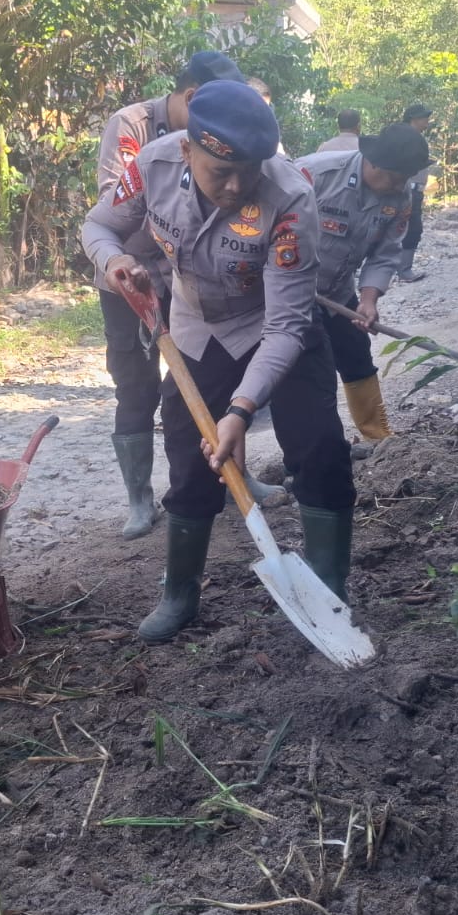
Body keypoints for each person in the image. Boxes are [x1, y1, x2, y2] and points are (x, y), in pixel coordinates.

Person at [82, 80, 356, 641]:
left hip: (276, 325)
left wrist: (241, 409)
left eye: (247, 172)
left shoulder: (291, 197)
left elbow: (285, 326)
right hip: (196, 328)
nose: (235, 187)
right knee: (189, 460)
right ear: (187, 150)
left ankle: (328, 592)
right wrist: (114, 264)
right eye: (219, 172)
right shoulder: (150, 165)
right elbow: (99, 225)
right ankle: (180, 592)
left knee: (321, 449)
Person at [93, 51, 246, 539]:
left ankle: (234, 476)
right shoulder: (131, 125)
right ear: (192, 98)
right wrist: (124, 263)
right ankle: (140, 500)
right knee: (135, 387)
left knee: (206, 380)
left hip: (185, 278)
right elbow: (113, 206)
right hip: (128, 277)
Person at [296, 123, 432, 443]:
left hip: (338, 291)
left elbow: (386, 254)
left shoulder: (400, 197)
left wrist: (368, 300)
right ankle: (318, 446)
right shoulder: (314, 174)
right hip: (294, 291)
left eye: (405, 179)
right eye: (395, 177)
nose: (400, 186)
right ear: (372, 163)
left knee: (357, 356)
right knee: (314, 372)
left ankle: (378, 438)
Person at [392, 104, 435, 283]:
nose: (427, 121)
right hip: (407, 189)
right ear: (413, 119)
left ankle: (396, 268)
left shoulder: (410, 137)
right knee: (412, 228)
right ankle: (404, 270)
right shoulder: (407, 137)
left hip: (412, 190)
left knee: (402, 228)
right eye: (424, 118)